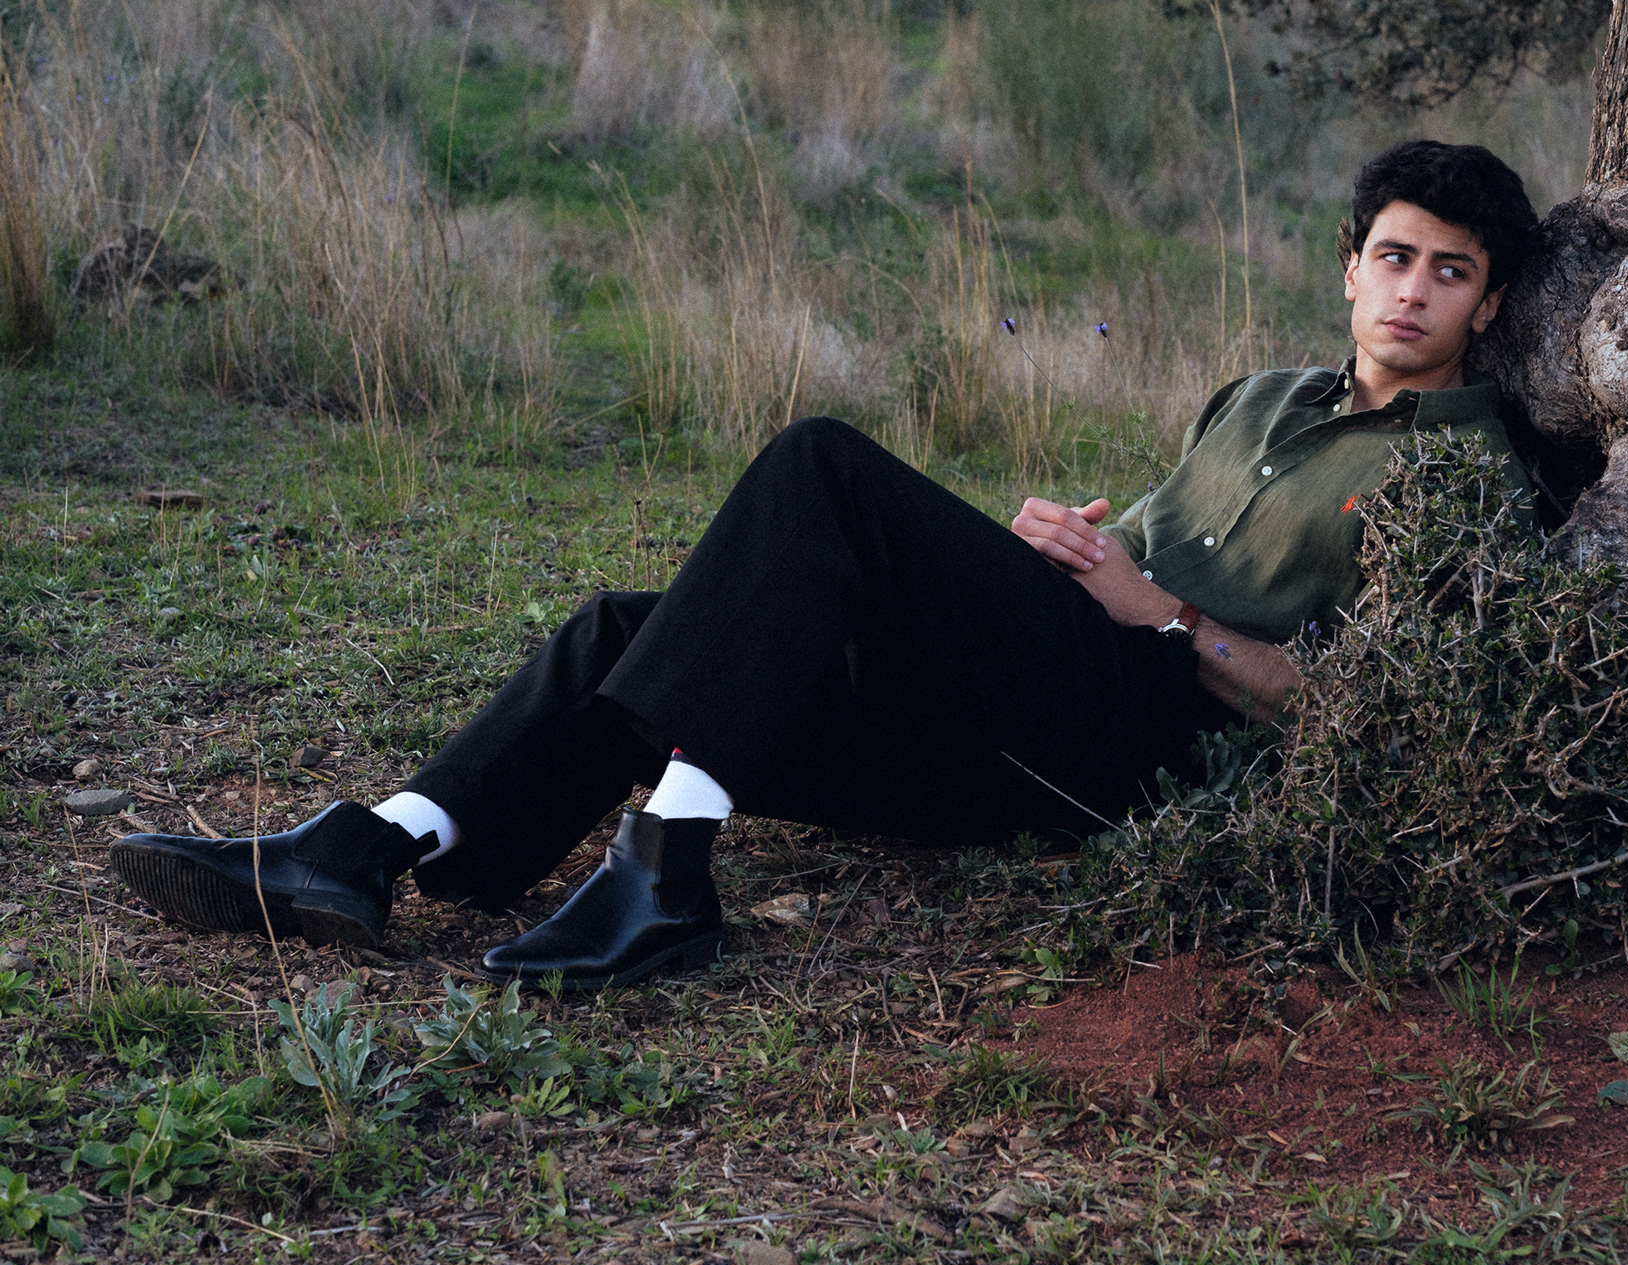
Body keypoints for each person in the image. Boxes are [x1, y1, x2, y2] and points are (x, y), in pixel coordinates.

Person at [109, 140, 1540, 990]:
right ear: (1348, 266)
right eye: (1394, 257)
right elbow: (1135, 556)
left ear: (1487, 306)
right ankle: (375, 850)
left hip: (1143, 753)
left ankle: (669, 868)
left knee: (823, 468)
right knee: (629, 630)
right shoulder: (1258, 398)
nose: (1413, 290)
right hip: (1025, 703)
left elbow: (1375, 715)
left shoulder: (1474, 474)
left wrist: (1162, 616)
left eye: (1451, 270)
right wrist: (1071, 554)